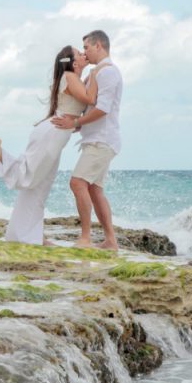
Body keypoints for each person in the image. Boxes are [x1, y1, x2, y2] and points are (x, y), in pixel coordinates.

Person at [0, 45, 99, 245]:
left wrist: (75, 124)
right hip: (51, 134)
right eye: (79, 53)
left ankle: (30, 235)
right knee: (29, 177)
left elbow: (75, 108)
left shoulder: (75, 78)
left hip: (56, 134)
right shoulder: (71, 77)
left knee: (40, 186)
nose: (84, 55)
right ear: (73, 62)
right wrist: (95, 72)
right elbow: (90, 98)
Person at [51, 30, 122, 251]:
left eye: (87, 48)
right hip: (97, 139)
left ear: (98, 46)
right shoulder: (96, 72)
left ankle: (85, 238)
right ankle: (110, 241)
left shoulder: (107, 72)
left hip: (102, 139)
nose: (85, 52)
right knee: (94, 189)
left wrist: (75, 124)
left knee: (77, 183)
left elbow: (102, 108)